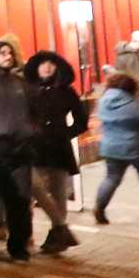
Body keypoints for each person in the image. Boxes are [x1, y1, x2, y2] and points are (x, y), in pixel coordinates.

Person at [0, 38, 38, 263]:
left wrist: (31, 133)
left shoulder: (20, 83)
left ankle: (18, 246)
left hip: (20, 151)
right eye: (2, 53)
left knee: (19, 200)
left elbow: (33, 112)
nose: (7, 56)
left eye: (9, 53)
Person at [21, 51, 89, 252]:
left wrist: (65, 133)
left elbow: (81, 120)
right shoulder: (27, 89)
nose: (47, 68)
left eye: (51, 64)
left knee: (58, 191)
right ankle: (58, 227)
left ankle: (56, 235)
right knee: (35, 188)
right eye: (43, 64)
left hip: (59, 146)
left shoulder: (66, 91)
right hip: (34, 146)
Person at [91, 66, 139, 225]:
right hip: (137, 147)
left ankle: (99, 208)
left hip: (111, 147)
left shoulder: (103, 101)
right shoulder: (136, 103)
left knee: (111, 178)